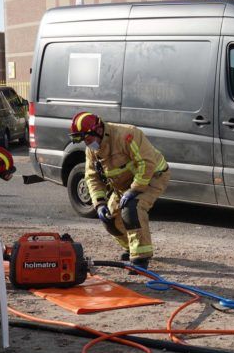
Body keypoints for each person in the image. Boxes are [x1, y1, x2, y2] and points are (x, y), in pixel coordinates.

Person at [70, 112, 169, 269]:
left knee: (132, 208)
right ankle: (131, 248)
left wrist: (135, 189)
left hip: (152, 177)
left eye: (87, 139)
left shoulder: (127, 135)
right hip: (124, 185)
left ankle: (140, 258)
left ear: (99, 130)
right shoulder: (92, 150)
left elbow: (147, 163)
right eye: (83, 140)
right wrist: (99, 203)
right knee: (109, 219)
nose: (86, 144)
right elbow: (92, 177)